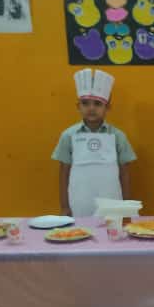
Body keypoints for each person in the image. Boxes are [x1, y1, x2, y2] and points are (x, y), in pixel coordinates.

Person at [51, 69, 136, 217]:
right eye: (85, 103)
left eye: (97, 104)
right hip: (79, 201)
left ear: (107, 107)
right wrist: (64, 206)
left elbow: (124, 173)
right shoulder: (68, 135)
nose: (91, 108)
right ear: (78, 106)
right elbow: (64, 173)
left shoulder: (118, 136)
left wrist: (126, 205)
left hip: (112, 202)